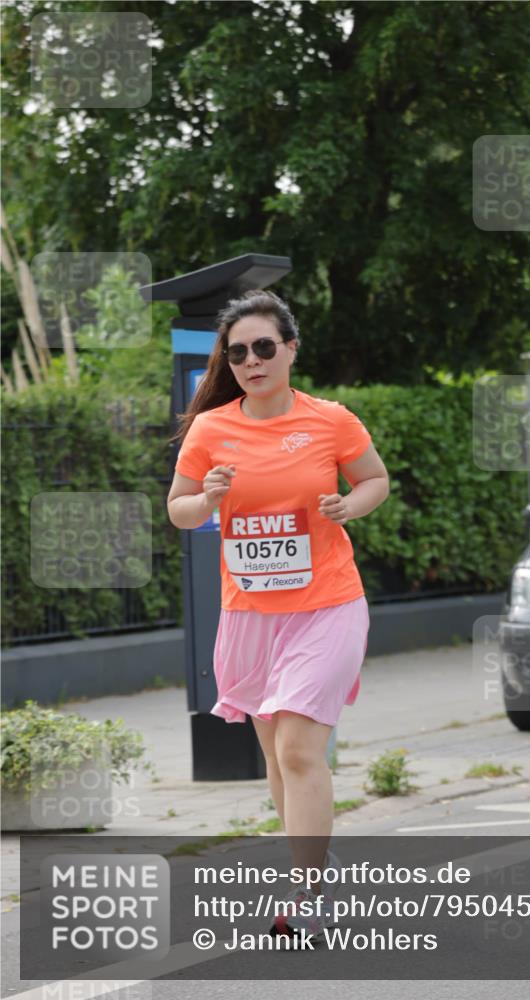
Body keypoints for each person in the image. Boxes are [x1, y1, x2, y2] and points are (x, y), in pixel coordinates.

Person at [166, 288, 389, 939]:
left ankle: (308, 890)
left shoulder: (330, 420)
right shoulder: (211, 429)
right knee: (276, 755)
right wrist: (204, 498)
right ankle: (313, 857)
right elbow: (179, 510)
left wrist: (352, 506)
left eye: (264, 347)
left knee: (297, 748)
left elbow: (374, 478)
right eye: (238, 352)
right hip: (251, 615)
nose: (252, 360)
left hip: (328, 604)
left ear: (290, 348)